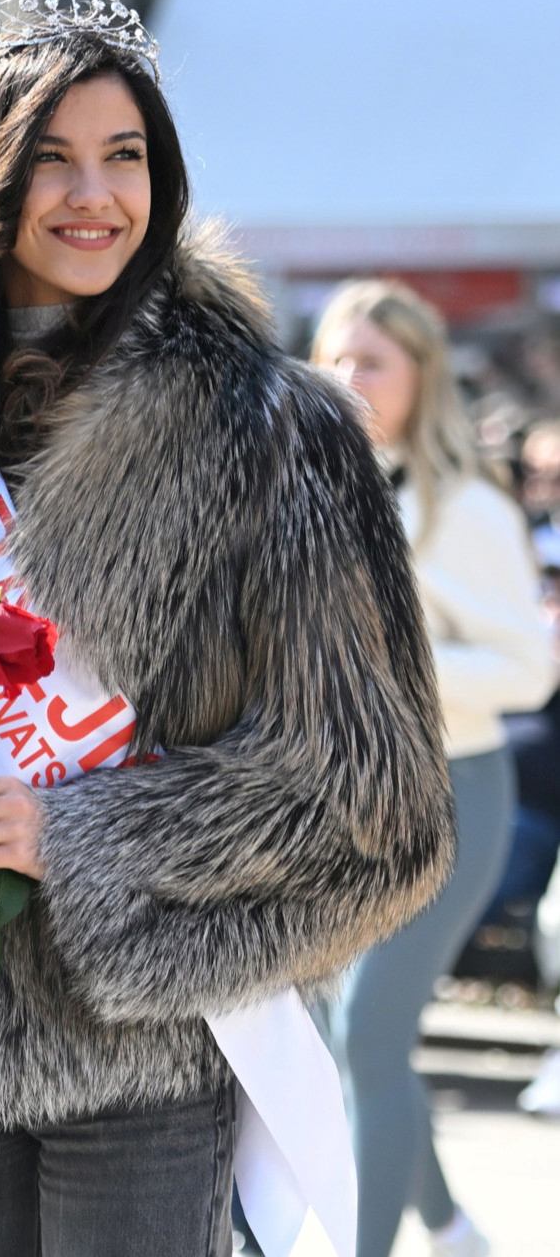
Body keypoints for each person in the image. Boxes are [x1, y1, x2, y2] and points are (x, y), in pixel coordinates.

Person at [0, 0, 454, 1256]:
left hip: (142, 1050)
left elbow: (373, 797)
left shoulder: (269, 431)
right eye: (50, 158)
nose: (92, 193)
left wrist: (70, 833)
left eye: (125, 157)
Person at [312, 280, 555, 1257]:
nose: (349, 377)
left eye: (373, 361)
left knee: (366, 1033)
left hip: (455, 795)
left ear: (422, 374)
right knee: (353, 1034)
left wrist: (383, 661)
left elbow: (529, 670)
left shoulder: (468, 507)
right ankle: (450, 1229)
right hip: (345, 800)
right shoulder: (320, 488)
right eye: (335, 357)